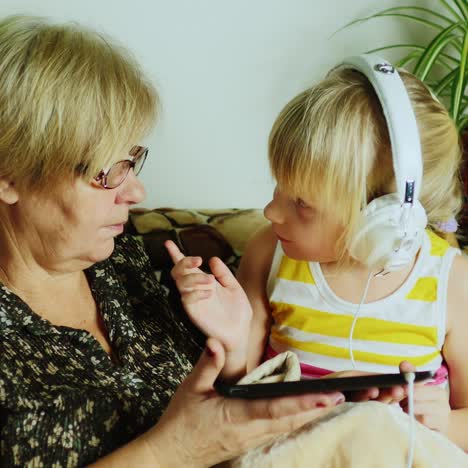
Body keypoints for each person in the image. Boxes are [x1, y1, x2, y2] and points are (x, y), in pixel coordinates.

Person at [0, 15, 348, 467]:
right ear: (9, 176)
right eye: (108, 172)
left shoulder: (118, 261)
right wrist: (176, 451)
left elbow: (211, 416)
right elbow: (191, 439)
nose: (136, 192)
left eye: (133, 160)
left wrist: (242, 363)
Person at [167, 60, 468, 450]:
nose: (272, 212)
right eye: (279, 187)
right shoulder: (269, 253)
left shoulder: (451, 281)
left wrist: (441, 423)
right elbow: (240, 389)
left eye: (302, 203)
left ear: (385, 218)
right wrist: (231, 336)